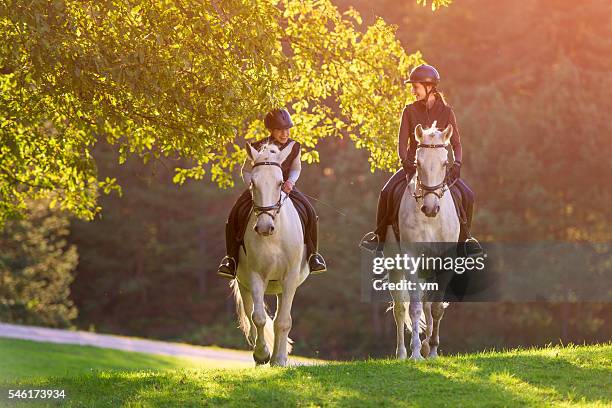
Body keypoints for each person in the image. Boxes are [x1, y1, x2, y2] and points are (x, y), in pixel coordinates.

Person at [360, 64, 475, 253]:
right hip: (414, 166)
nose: (413, 91)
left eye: (416, 87)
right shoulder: (409, 110)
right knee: (386, 192)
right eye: (412, 87)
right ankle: (379, 237)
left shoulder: (447, 112)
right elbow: (401, 143)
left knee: (468, 196)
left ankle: (465, 241)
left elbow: (456, 144)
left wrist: (458, 163)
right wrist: (406, 163)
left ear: (429, 87)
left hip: (439, 168)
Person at [217, 108, 327, 279]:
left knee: (310, 212)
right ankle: (231, 260)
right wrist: (253, 187)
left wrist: (290, 182)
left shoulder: (294, 146)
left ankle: (313, 256)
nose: (285, 133)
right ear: (271, 130)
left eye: (287, 129)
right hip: (260, 189)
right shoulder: (256, 147)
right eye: (280, 129)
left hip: (285, 187)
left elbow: (296, 168)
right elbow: (246, 171)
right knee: (234, 214)